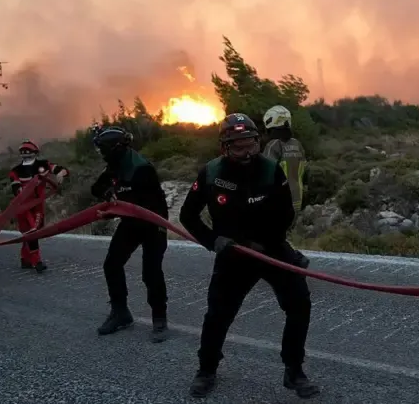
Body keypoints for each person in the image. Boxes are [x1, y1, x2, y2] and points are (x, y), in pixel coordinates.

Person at [179, 113, 320, 399]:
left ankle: (294, 370)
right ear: (224, 147)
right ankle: (206, 370)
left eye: (251, 145)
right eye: (238, 147)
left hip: (271, 249)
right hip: (232, 255)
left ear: (258, 141)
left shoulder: (271, 170)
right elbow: (187, 216)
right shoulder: (210, 173)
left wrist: (263, 243)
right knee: (218, 315)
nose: (247, 153)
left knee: (299, 305)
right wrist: (213, 240)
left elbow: (286, 214)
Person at [90, 125, 170, 343]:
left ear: (115, 148)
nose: (102, 154)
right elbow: (95, 188)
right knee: (112, 264)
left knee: (151, 272)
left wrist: (115, 209)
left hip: (153, 224)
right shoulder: (115, 165)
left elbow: (149, 204)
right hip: (131, 223)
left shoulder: (142, 168)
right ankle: (120, 313)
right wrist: (107, 193)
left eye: (103, 149)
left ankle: (160, 319)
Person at [8, 139, 69, 273]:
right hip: (23, 207)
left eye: (28, 151)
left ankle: (25, 258)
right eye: (23, 151)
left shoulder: (43, 165)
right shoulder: (15, 171)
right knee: (31, 232)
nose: (25, 153)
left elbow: (61, 169)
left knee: (35, 231)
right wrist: (22, 192)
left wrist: (60, 174)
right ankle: (37, 261)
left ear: (35, 152)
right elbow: (16, 187)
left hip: (38, 206)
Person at [262, 105, 311, 269]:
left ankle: (295, 260)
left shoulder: (273, 145)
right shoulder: (297, 144)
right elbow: (306, 171)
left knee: (269, 234)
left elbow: (264, 174)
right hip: (297, 198)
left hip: (279, 200)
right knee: (279, 233)